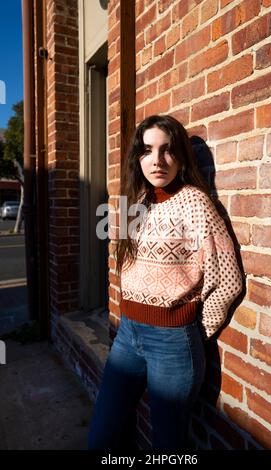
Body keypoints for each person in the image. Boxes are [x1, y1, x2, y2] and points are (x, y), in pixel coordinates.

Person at [88, 114, 243, 451]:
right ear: (137, 157)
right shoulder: (136, 203)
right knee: (102, 436)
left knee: (168, 446)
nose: (157, 160)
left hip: (173, 344)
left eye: (167, 150)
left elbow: (228, 280)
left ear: (181, 156)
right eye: (147, 151)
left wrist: (190, 332)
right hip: (128, 336)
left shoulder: (196, 204)